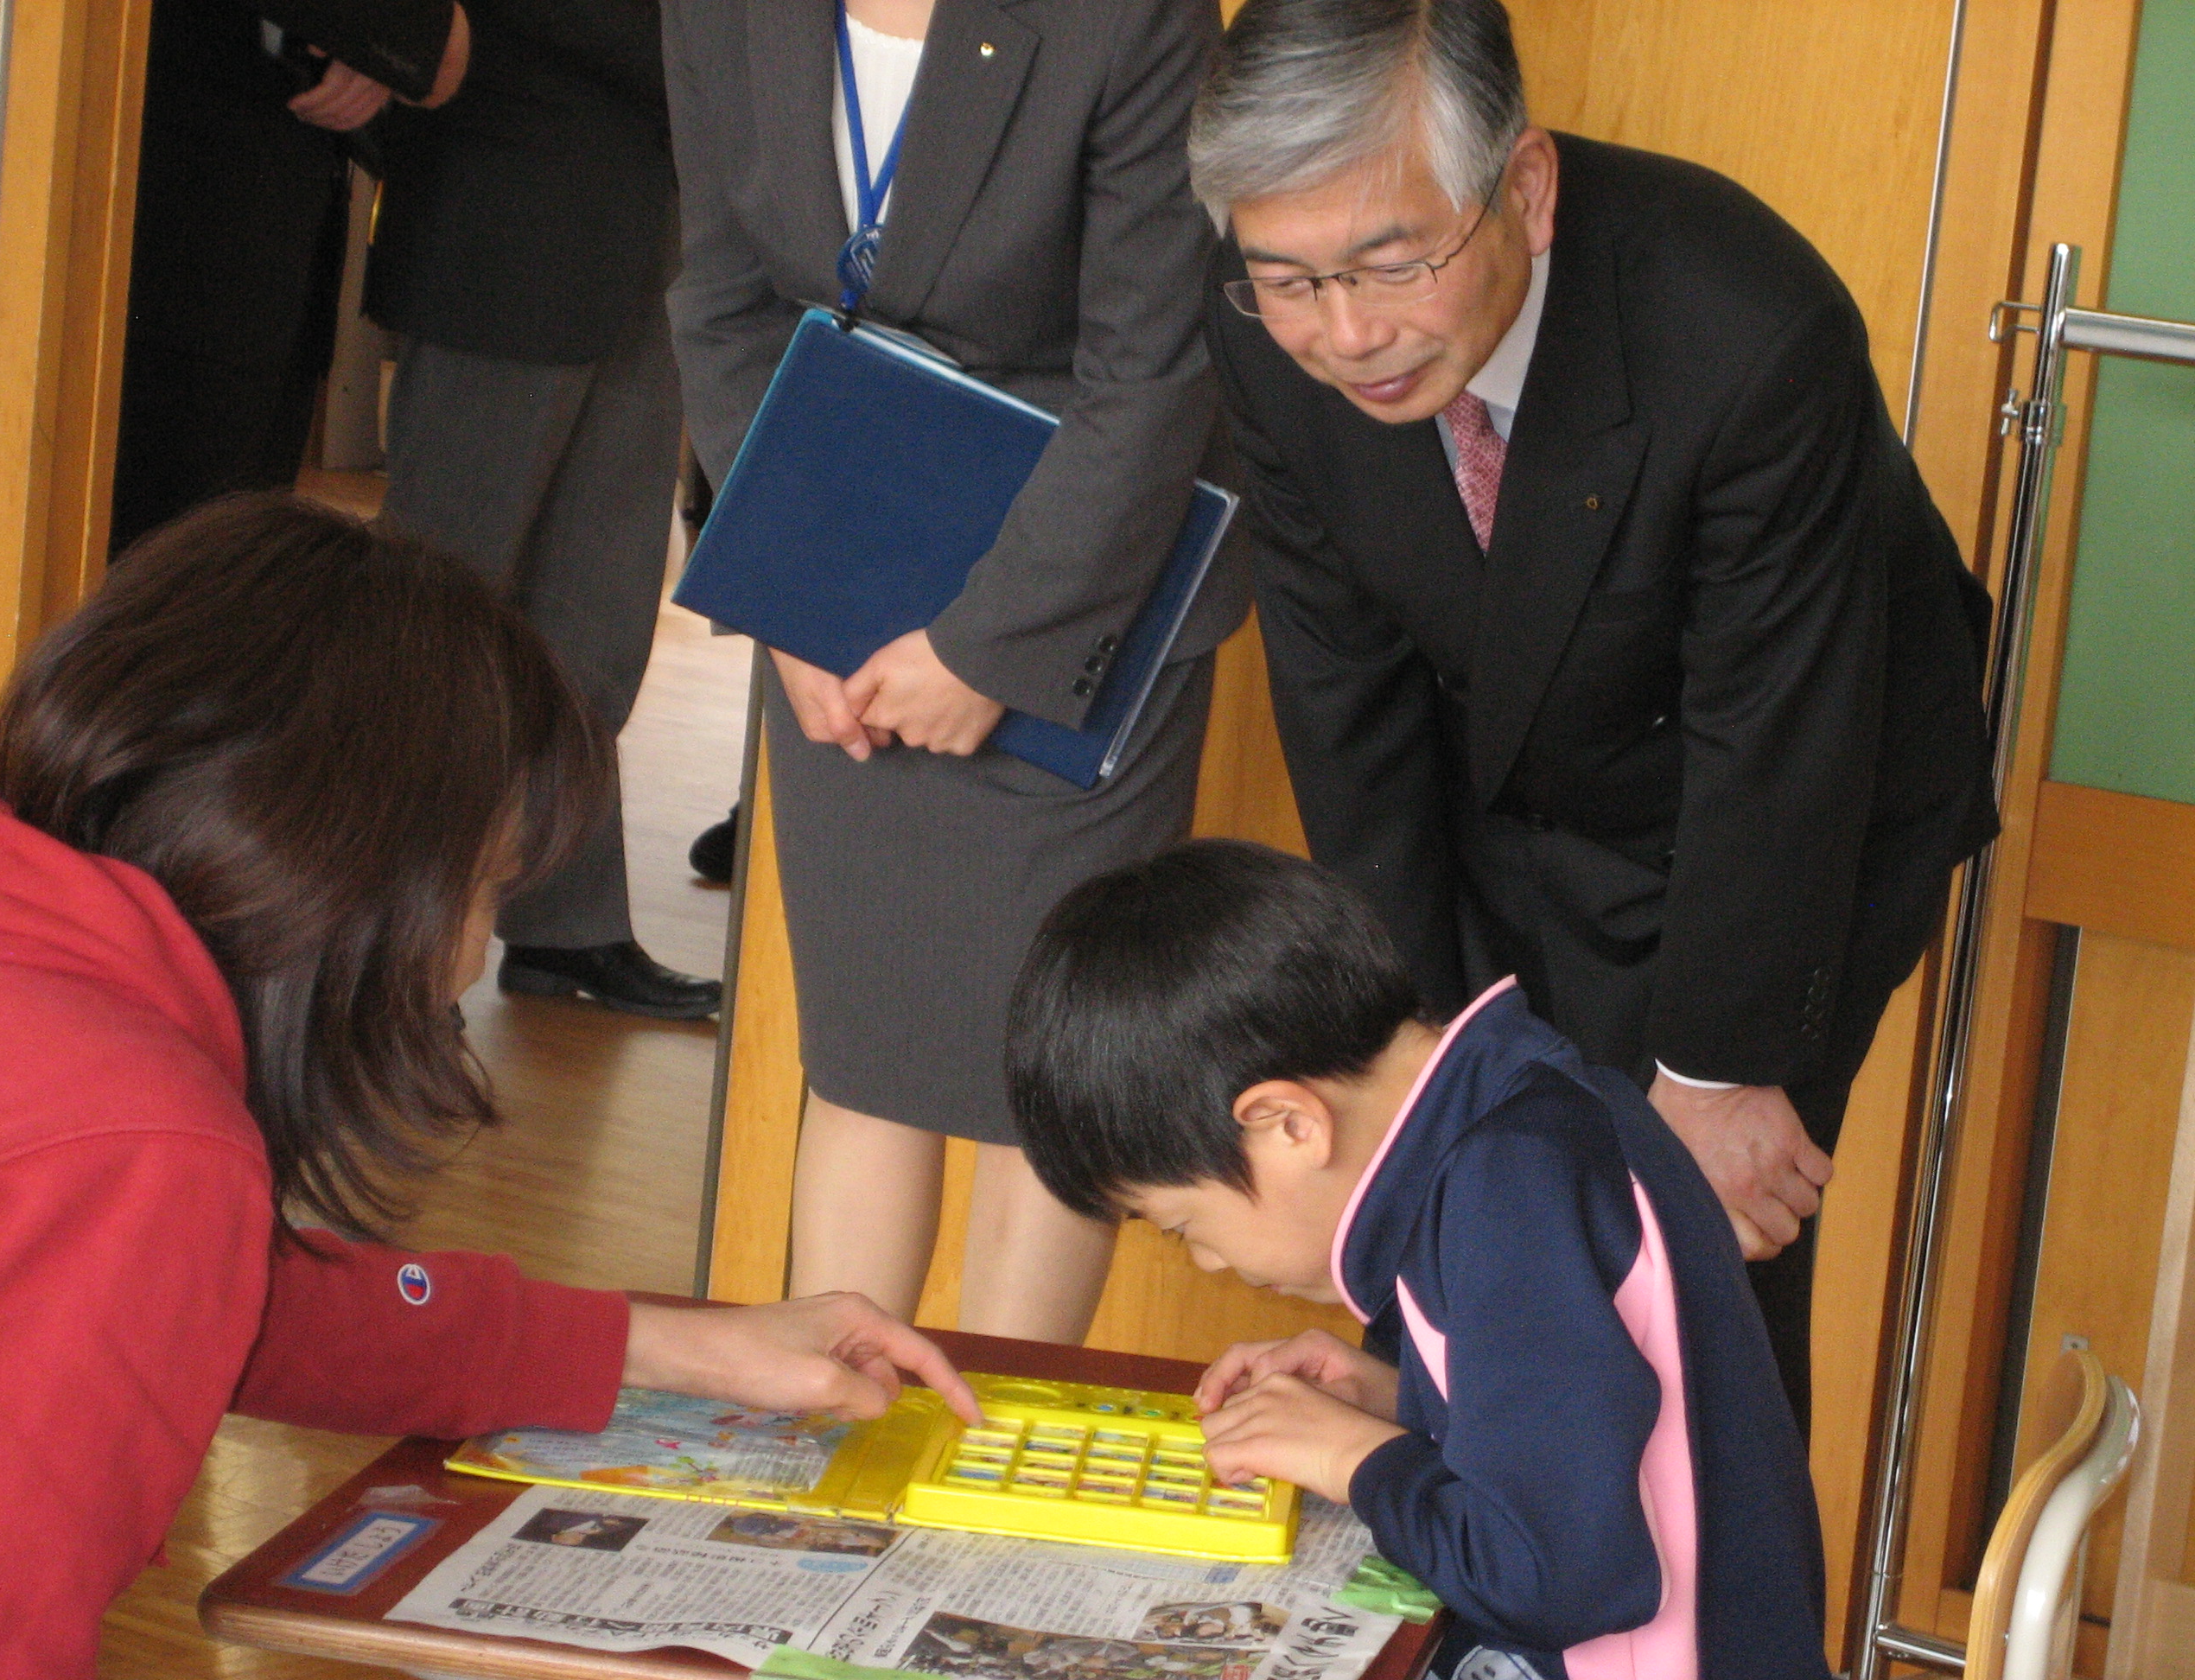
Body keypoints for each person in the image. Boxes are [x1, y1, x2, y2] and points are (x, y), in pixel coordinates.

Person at [0, 495, 977, 1676]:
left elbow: (232, 1306)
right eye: (488, 888)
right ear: (360, 872)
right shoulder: (138, 1149)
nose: (475, 958)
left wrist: (674, 1348)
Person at [1188, 0, 1997, 1426]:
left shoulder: (1747, 331)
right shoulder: (1268, 317)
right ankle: (1483, 1585)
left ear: (1527, 186)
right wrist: (1406, 1043)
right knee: (1474, 1176)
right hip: (1507, 761)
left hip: (1785, 800)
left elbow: (1775, 738)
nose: (1347, 333)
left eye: (1390, 266)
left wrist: (1717, 1071)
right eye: (1294, 281)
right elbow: (1343, 695)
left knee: (1688, 1249)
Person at [662, 0, 1250, 1338]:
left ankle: (987, 1464)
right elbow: (724, 295)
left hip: (1081, 587)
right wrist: (792, 600)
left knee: (1047, 1080)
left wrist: (990, 645)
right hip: (842, 575)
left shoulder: (1131, 18)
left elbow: (1152, 375)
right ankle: (832, 1441)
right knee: (867, 1059)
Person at [1006, 840, 1832, 1680]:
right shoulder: (1516, 1113)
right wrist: (1407, 1401)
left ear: (1288, 1123)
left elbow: (1556, 1574)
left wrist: (1351, 1456)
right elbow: (1588, 1416)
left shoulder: (1509, 1193)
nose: (1210, 1263)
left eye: (1183, 1226)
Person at [365, 0, 716, 1020]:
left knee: (597, 619)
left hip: (644, 241)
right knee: (432, 620)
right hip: (502, 233)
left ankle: (568, 926)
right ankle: (376, 928)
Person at [111, 0, 469, 553]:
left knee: (232, 570)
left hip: (260, 241)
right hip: (171, 239)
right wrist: (413, 37)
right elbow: (441, 53)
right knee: (171, 580)